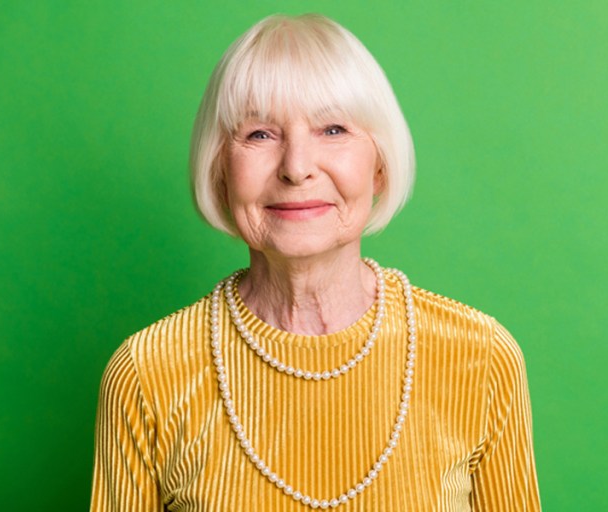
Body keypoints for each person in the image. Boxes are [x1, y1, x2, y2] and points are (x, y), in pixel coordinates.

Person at [90, 13, 541, 511]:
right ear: (219, 168)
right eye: (260, 134)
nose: (297, 167)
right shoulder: (147, 372)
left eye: (333, 129)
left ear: (380, 166)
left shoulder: (480, 359)